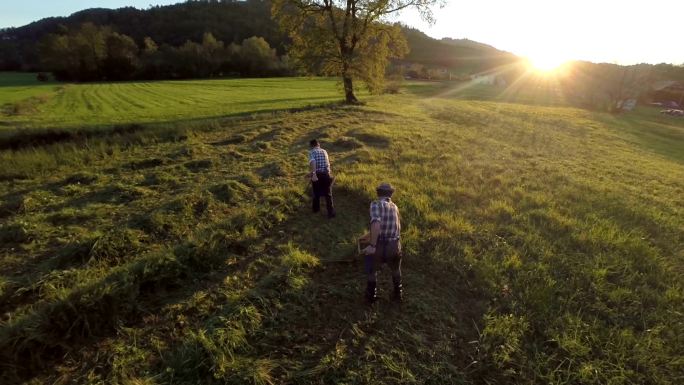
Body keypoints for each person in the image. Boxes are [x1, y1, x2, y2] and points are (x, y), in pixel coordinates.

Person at [362, 182, 402, 303]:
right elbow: (395, 227)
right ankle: (398, 294)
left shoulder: (375, 204)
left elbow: (376, 223)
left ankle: (371, 296)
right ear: (390, 194)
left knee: (371, 269)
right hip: (394, 245)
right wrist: (368, 235)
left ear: (378, 192)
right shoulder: (395, 207)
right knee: (395, 269)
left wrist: (372, 245)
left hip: (379, 246)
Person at [308, 139, 336, 218]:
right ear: (318, 144)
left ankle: (316, 210)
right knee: (328, 194)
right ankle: (331, 213)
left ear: (311, 146)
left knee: (316, 193)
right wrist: (329, 174)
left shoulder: (311, 152)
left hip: (317, 175)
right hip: (326, 174)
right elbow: (327, 163)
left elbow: (313, 162)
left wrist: (313, 174)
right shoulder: (324, 151)